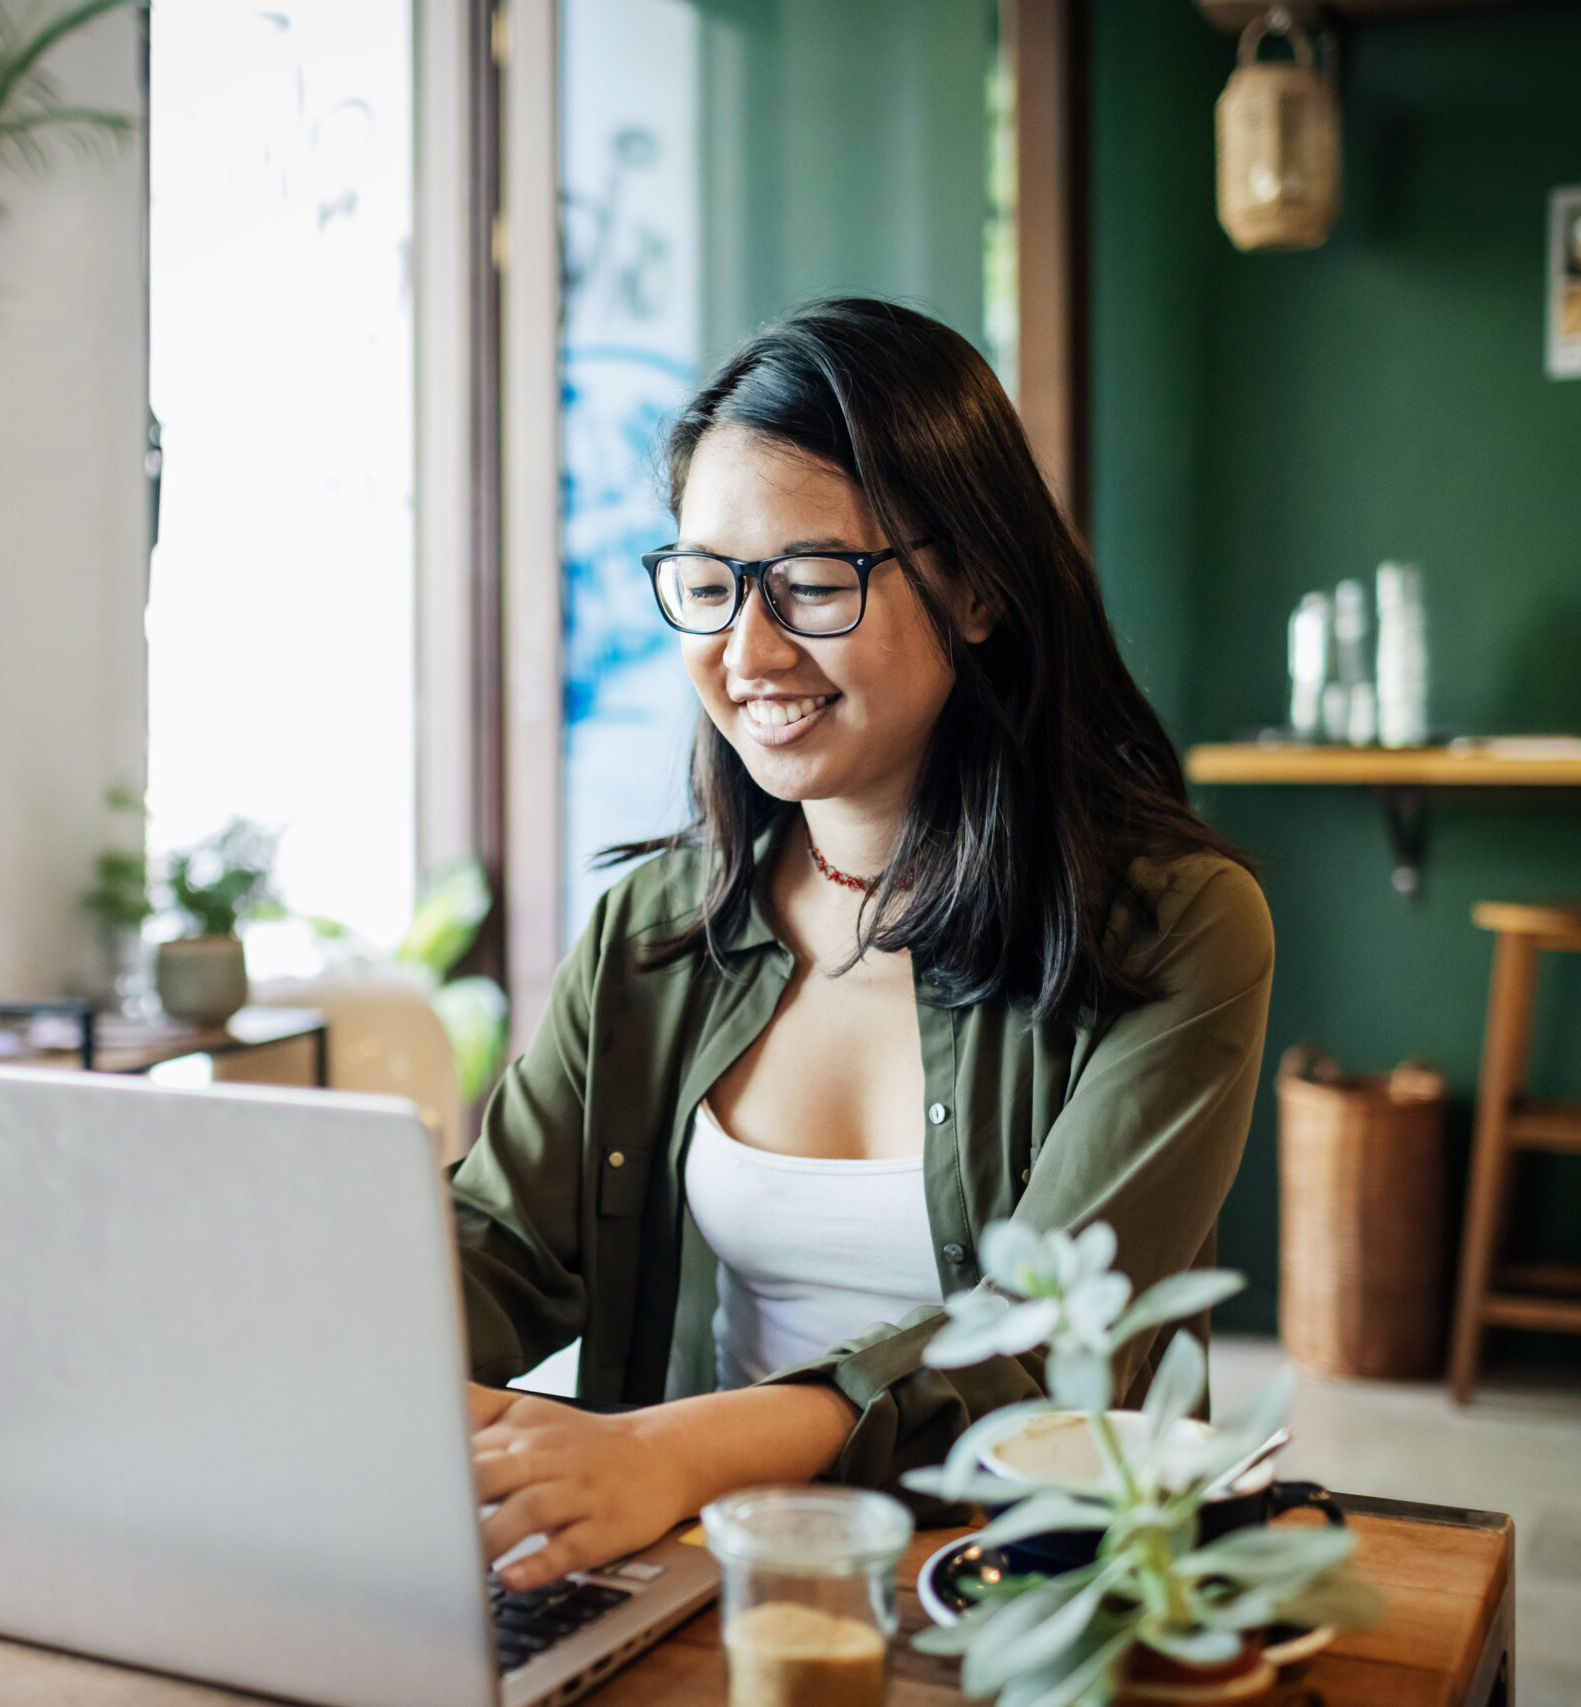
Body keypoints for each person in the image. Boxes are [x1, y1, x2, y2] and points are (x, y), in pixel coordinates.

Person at [454, 298, 1272, 1590]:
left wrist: (674, 1453)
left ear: (980, 585)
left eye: (814, 584)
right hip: (697, 1583)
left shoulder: (1175, 928)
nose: (748, 648)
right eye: (710, 584)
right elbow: (500, 1245)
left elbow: (1048, 1350)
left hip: (1023, 1597)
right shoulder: (654, 930)